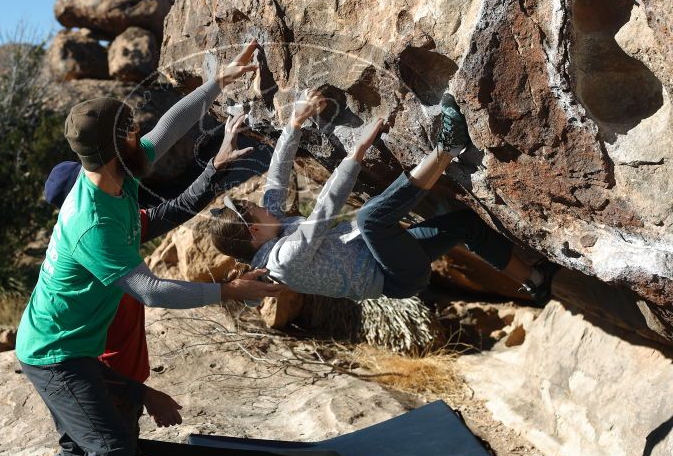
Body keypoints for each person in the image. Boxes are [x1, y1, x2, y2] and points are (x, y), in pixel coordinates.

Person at [15, 41, 284, 456]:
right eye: (129, 128)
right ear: (115, 144)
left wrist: (217, 83)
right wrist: (228, 289)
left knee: (80, 451)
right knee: (110, 448)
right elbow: (150, 290)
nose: (138, 132)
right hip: (55, 354)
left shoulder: (114, 172)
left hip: (63, 344)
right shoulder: (92, 221)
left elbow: (168, 127)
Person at [42, 111, 255, 456]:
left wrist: (215, 167)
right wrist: (143, 393)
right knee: (112, 452)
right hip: (109, 380)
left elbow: (171, 209)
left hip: (105, 374)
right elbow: (96, 364)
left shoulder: (111, 223)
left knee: (79, 453)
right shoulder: (103, 251)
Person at [207, 89, 557, 306]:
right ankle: (447, 147)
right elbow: (323, 210)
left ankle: (536, 282)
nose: (256, 202)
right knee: (370, 219)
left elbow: (277, 175)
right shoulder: (284, 259)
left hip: (382, 256)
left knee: (465, 225)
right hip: (393, 277)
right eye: (250, 207)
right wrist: (357, 152)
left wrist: (295, 123)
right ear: (253, 231)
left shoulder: (273, 225)